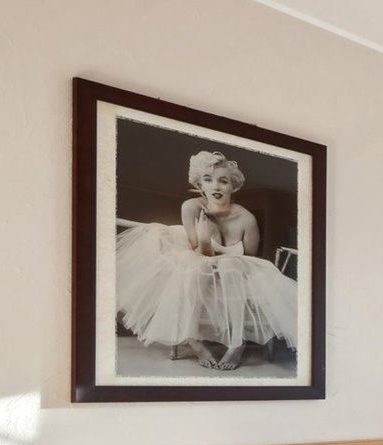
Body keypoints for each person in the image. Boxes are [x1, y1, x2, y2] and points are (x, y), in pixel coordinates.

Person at [114, 150, 298, 370]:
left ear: (233, 186)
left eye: (223, 181)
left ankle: (237, 344)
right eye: (208, 180)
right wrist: (204, 236)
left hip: (235, 275)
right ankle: (194, 339)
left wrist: (219, 256)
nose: (215, 187)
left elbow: (248, 261)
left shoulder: (247, 219)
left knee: (230, 264)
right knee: (196, 266)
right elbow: (200, 255)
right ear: (200, 184)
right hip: (202, 266)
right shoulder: (191, 207)